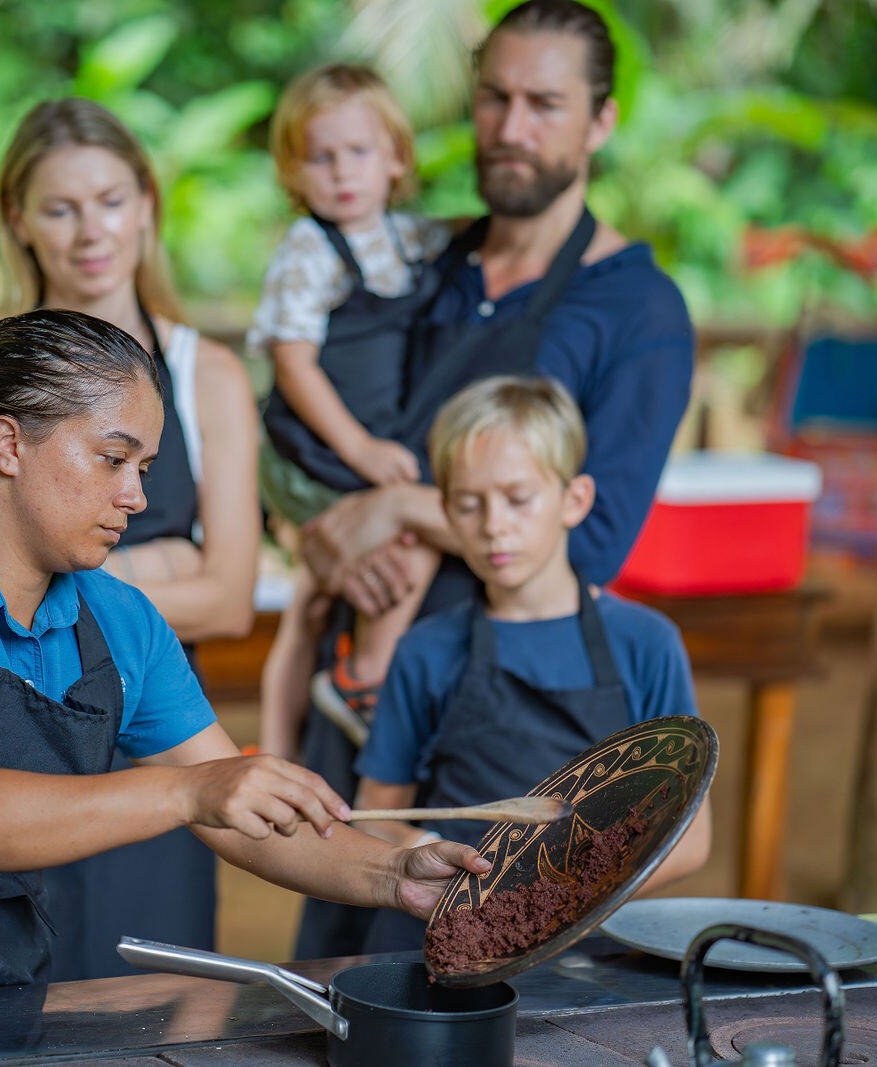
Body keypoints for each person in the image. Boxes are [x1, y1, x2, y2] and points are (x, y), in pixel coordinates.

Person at [0, 310, 489, 1013]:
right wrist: (189, 791)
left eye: (144, 467)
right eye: (113, 459)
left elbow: (246, 821)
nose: (137, 496)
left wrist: (395, 873)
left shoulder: (121, 621)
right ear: (8, 444)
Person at [294, 0, 697, 958]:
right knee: (351, 982)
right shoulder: (422, 263)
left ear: (600, 121)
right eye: (495, 98)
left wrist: (394, 506)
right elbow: (317, 425)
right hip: (360, 696)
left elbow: (593, 544)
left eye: (545, 105)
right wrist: (315, 528)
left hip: (510, 753)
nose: (512, 129)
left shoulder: (636, 307)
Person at [0, 99, 259, 980]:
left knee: (152, 1002)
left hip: (151, 734)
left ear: (147, 204)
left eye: (109, 200)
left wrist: (48, 571)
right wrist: (158, 560)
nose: (89, 232)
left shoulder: (207, 373)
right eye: (60, 208)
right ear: (18, 221)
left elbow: (228, 599)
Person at [350, 375, 711, 951]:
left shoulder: (646, 643)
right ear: (445, 510)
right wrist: (420, 850)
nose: (494, 525)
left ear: (575, 500)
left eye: (518, 499)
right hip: (455, 933)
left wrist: (557, 896)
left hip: (594, 942)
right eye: (468, 505)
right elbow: (377, 813)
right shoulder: (428, 649)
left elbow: (690, 841)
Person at [248, 63, 452, 761]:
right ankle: (365, 678)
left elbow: (461, 239)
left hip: (349, 446)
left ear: (396, 158)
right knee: (407, 536)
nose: (341, 173)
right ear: (293, 172)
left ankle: (277, 746)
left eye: (359, 153)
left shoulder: (405, 238)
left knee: (306, 606)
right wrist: (361, 449)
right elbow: (293, 362)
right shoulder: (310, 249)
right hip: (313, 449)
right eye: (320, 157)